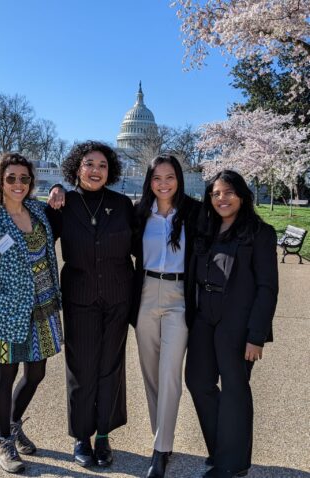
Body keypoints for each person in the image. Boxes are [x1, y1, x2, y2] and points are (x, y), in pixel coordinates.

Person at [0, 152, 62, 474]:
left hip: (44, 306)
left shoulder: (37, 211)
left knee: (36, 374)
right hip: (8, 312)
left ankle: (13, 425)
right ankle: (2, 441)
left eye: (24, 178)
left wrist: (58, 185)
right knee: (6, 375)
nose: (18, 184)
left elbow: (62, 200)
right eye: (11, 178)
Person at [185, 170, 278, 478]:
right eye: (215, 194)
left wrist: (257, 336)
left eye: (227, 192)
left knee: (236, 389)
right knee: (198, 381)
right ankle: (221, 449)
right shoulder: (206, 228)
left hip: (237, 322)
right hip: (204, 317)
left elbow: (267, 287)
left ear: (242, 195)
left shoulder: (259, 233)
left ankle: (233, 464)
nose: (221, 199)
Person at [46, 140, 134, 468]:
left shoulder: (123, 205)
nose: (95, 170)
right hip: (79, 297)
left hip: (117, 297)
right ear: (76, 168)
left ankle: (105, 436)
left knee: (110, 367)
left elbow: (146, 243)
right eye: (89, 164)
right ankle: (82, 436)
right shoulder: (63, 204)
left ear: (110, 171)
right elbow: (35, 235)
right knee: (81, 368)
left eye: (102, 165)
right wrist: (55, 188)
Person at [130, 155, 201, 478]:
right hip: (145, 292)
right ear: (149, 180)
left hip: (178, 298)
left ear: (179, 179)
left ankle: (160, 451)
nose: (163, 184)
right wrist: (59, 187)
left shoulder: (194, 212)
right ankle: (163, 437)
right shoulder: (139, 211)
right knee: (151, 374)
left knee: (170, 373)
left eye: (169, 177)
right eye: (157, 178)